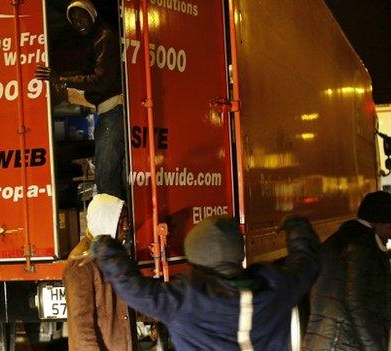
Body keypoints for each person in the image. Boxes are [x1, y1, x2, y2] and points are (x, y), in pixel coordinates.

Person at [91, 214, 320, 350]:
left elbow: (134, 289)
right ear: (237, 252)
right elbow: (306, 264)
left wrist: (107, 250)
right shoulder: (275, 286)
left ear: (196, 257)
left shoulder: (186, 299)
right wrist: (298, 230)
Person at [36, 0, 125, 199]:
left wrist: (62, 79)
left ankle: (114, 228)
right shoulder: (94, 41)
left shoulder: (104, 38)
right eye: (73, 20)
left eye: (81, 16)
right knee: (109, 174)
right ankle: (119, 226)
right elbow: (87, 76)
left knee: (106, 176)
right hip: (107, 110)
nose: (78, 22)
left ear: (92, 14)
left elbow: (100, 80)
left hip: (113, 110)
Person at [303, 191, 391, 351]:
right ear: (376, 223)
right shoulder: (362, 249)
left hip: (326, 342)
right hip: (342, 343)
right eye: (390, 227)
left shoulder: (339, 241)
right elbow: (358, 305)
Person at [63, 194, 133, 350]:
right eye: (121, 221)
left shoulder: (111, 255)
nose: (127, 227)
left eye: (127, 221)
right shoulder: (81, 264)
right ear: (106, 221)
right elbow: (81, 327)